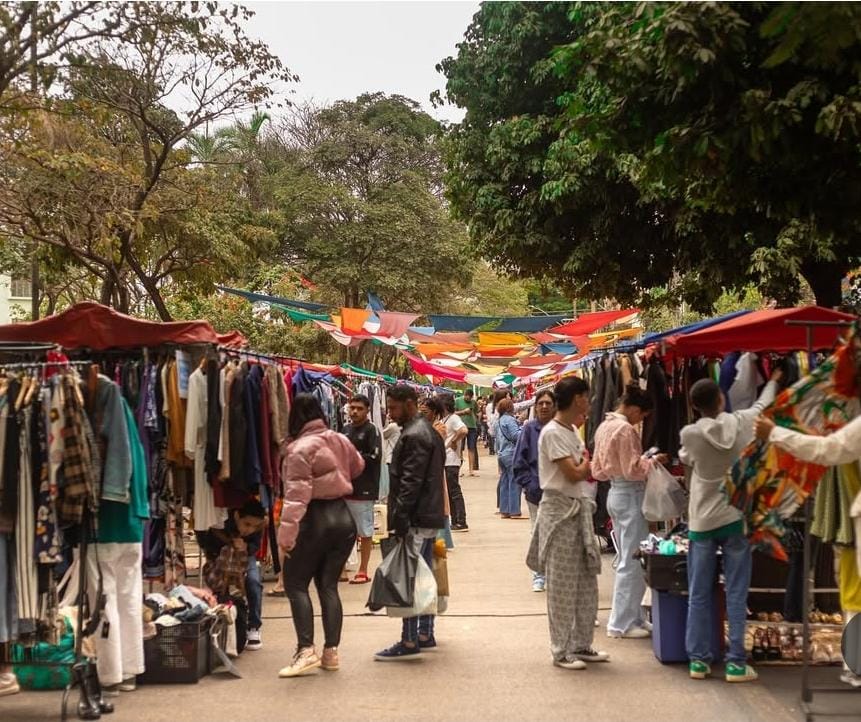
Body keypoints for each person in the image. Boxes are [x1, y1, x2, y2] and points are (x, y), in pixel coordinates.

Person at [679, 370, 781, 683]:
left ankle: (698, 661)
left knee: (699, 593)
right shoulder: (740, 423)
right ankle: (736, 663)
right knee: (736, 593)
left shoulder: (689, 434)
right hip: (735, 517)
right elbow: (763, 405)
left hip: (702, 521)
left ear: (694, 406)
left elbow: (687, 460)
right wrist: (774, 378)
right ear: (721, 399)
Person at [755, 412, 861, 689]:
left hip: (847, 525)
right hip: (843, 525)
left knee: (853, 595)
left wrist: (774, 433)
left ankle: (855, 665)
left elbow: (826, 449)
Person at [277, 394, 364, 678]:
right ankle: (331, 652)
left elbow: (296, 498)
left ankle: (305, 650)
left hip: (313, 520)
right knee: (328, 585)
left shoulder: (298, 449)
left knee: (295, 583)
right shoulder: (338, 439)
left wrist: (285, 538)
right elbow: (358, 466)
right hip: (342, 517)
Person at [529, 377, 608, 670]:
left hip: (578, 508)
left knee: (587, 582)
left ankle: (581, 644)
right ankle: (561, 650)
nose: (589, 402)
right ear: (577, 399)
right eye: (586, 397)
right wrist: (587, 462)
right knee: (561, 586)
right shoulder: (552, 433)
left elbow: (580, 468)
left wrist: (584, 464)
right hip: (560, 512)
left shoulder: (572, 430)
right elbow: (574, 473)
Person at [375, 386, 446, 661]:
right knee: (423, 575)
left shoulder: (415, 434)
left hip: (416, 517)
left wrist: (400, 520)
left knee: (411, 577)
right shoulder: (426, 431)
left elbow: (410, 483)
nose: (390, 413)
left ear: (408, 404)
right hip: (426, 515)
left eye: (393, 407)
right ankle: (425, 633)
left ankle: (409, 639)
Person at [592, 383, 666, 639]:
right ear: (634, 409)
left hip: (615, 492)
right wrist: (652, 461)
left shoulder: (604, 426)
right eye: (642, 415)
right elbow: (633, 469)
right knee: (632, 561)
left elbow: (597, 469)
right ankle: (621, 623)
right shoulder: (625, 430)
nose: (641, 420)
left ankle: (633, 616)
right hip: (630, 493)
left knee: (629, 557)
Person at [197, 499, 267, 650]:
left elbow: (255, 546)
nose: (250, 530)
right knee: (217, 586)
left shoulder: (258, 527)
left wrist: (246, 546)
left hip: (245, 556)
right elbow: (204, 539)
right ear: (236, 516)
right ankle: (217, 625)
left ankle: (254, 626)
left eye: (255, 526)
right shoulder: (220, 519)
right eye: (247, 524)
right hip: (219, 556)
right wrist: (225, 549)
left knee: (253, 582)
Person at [513, 388, 556, 592]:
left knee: (556, 535)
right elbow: (518, 462)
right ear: (536, 407)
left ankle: (554, 573)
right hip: (536, 493)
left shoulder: (560, 428)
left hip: (558, 493)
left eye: (548, 403)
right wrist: (530, 484)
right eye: (541, 403)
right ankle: (539, 575)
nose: (544, 406)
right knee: (538, 533)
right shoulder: (529, 430)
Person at [343, 394, 383, 585]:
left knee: (365, 531)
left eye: (359, 408)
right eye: (352, 408)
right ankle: (341, 569)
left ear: (367, 410)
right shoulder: (345, 430)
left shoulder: (372, 430)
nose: (355, 412)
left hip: (364, 490)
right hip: (344, 488)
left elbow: (374, 457)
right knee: (343, 531)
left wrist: (352, 457)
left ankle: (363, 570)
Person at [442, 394, 470, 532]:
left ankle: (461, 520)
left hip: (451, 460)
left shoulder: (453, 419)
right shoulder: (446, 419)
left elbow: (463, 430)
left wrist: (453, 441)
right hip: (447, 460)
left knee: (454, 491)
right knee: (450, 491)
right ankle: (455, 520)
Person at [495, 397, 523, 518]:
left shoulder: (498, 421)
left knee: (505, 482)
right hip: (511, 453)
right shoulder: (510, 420)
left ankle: (504, 510)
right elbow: (516, 436)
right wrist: (523, 428)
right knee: (515, 481)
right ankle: (514, 510)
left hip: (501, 454)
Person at [456, 389, 480, 475]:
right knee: (460, 448)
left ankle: (471, 470)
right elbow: (453, 413)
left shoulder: (474, 402)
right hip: (460, 426)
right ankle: (459, 469)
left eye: (470, 398)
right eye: (467, 397)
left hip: (472, 427)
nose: (468, 399)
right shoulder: (457, 401)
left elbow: (477, 411)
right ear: (464, 395)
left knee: (471, 448)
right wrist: (463, 412)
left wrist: (476, 419)